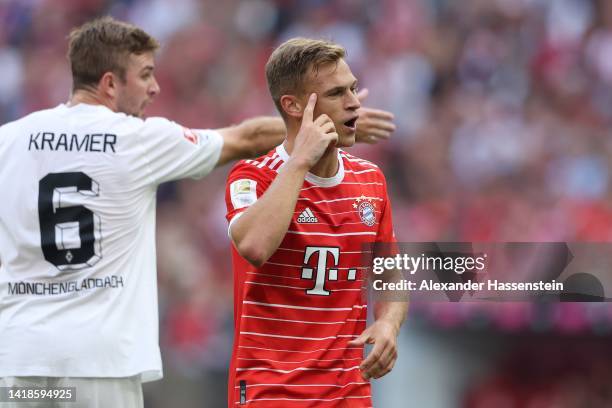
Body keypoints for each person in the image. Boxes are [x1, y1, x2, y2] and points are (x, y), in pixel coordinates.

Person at [0, 17, 395, 408]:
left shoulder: (8, 140)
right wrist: (337, 131)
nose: (154, 88)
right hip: (99, 361)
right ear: (109, 83)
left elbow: (394, 266)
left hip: (18, 357)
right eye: (145, 75)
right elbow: (247, 138)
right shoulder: (139, 140)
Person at [225, 38, 407, 407]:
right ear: (293, 106)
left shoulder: (371, 179)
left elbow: (390, 276)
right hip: (271, 391)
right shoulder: (252, 177)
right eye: (337, 93)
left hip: (348, 393)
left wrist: (388, 323)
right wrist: (299, 162)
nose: (355, 102)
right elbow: (255, 248)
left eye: (353, 88)